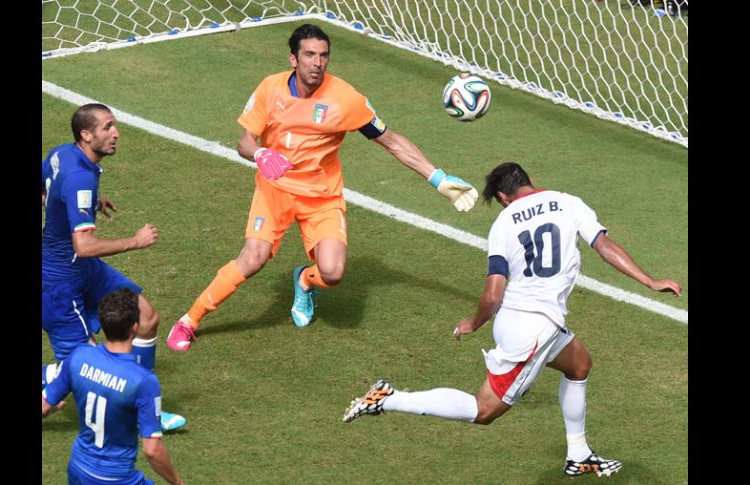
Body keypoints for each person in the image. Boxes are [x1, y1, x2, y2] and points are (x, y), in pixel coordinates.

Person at [342, 162, 681, 477]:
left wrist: (473, 322)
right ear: (527, 182)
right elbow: (604, 246)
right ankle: (388, 397)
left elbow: (493, 294)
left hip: (523, 320)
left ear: (503, 196)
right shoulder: (567, 202)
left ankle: (579, 456)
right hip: (533, 328)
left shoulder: (503, 223)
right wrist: (650, 281)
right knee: (483, 410)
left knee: (579, 365)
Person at [166, 23, 478, 350]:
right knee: (252, 259)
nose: (317, 62)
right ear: (293, 59)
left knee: (332, 272)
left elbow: (391, 141)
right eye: (310, 55)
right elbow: (244, 141)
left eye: (324, 55)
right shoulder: (270, 89)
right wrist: (260, 154)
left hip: (321, 198)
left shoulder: (345, 99)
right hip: (275, 192)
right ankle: (189, 320)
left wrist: (438, 178)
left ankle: (304, 280)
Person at [42, 103, 186, 432]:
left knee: (145, 317)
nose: (116, 133)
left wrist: (87, 204)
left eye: (115, 125)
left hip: (83, 270)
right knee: (87, 372)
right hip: (59, 286)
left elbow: (45, 191)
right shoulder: (80, 175)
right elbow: (85, 245)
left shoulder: (63, 154)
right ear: (86, 134)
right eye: (107, 127)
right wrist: (135, 241)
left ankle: (144, 405)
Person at [43, 289, 185, 485]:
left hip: (78, 469)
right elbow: (152, 451)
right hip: (117, 478)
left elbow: (43, 405)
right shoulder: (143, 381)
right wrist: (178, 482)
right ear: (135, 327)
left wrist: (50, 410)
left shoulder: (78, 356)